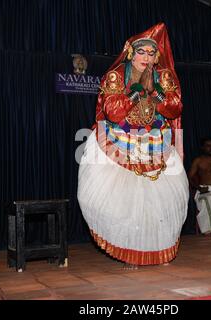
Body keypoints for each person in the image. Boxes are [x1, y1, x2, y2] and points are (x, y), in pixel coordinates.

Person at [77, 23, 189, 269]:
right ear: (131, 52)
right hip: (120, 143)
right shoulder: (116, 75)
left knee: (160, 202)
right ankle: (131, 253)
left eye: (151, 53)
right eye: (142, 52)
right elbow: (113, 112)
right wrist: (137, 93)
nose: (146, 58)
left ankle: (158, 252)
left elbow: (175, 107)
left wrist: (155, 93)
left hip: (155, 143)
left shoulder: (164, 76)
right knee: (123, 204)